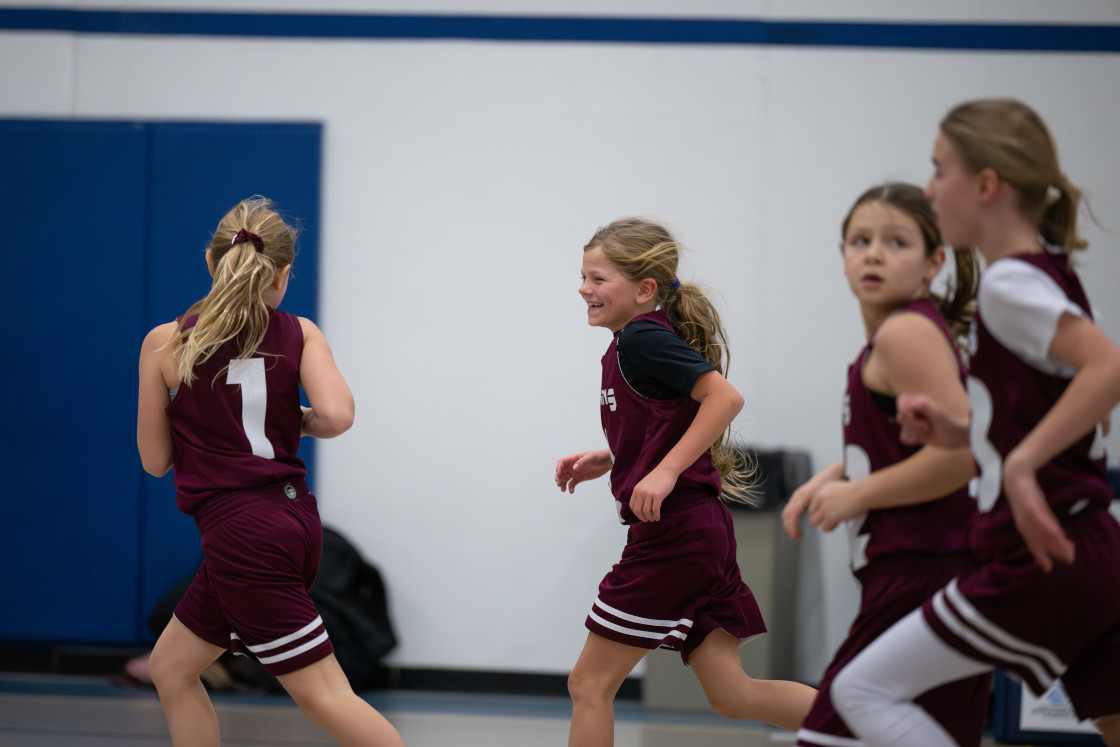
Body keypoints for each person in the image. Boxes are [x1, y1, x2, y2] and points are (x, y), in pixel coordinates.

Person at [832, 98, 1120, 746]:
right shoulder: (1057, 279)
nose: (931, 189)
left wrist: (1020, 467)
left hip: (1041, 554)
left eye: (941, 170)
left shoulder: (1006, 283)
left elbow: (1108, 370)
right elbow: (1081, 418)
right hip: (1096, 547)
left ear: (986, 185)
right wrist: (969, 432)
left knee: (861, 690)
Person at [136, 197, 404, 747]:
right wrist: (293, 420)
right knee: (171, 667)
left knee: (326, 697)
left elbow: (155, 461)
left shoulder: (166, 341)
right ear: (283, 273)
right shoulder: (300, 331)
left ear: (210, 263)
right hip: (292, 519)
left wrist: (204, 426)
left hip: (243, 535)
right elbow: (336, 416)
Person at [555, 217, 817, 746]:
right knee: (733, 695)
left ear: (644, 289)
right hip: (700, 532)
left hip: (675, 535)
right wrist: (614, 457)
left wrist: (666, 470)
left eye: (599, 278)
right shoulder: (634, 342)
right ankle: (880, 732)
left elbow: (724, 398)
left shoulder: (642, 338)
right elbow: (666, 418)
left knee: (589, 684)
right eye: (583, 276)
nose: (584, 288)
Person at [780, 183, 990, 747]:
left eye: (896, 242)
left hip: (927, 572)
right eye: (861, 241)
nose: (874, 254)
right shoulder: (892, 339)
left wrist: (859, 494)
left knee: (829, 735)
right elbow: (907, 445)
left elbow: (964, 454)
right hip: (921, 573)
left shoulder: (906, 333)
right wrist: (836, 476)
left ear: (933, 262)